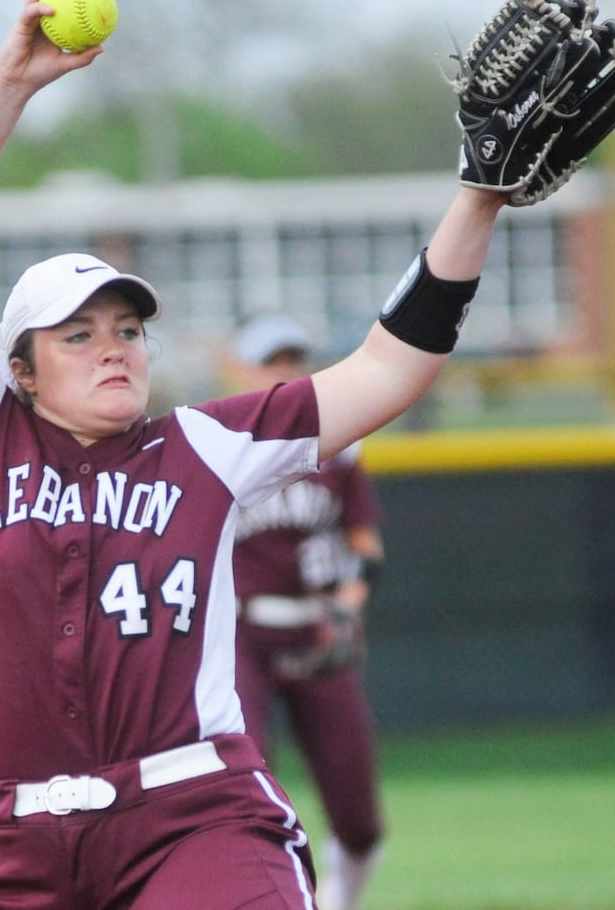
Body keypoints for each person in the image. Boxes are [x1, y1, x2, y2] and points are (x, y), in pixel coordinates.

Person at [0, 0, 503, 910]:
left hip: (193, 818)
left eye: (127, 330)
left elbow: (385, 370)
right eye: (78, 335)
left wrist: (478, 202)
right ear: (19, 368)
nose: (113, 350)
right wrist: (8, 86)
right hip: (18, 842)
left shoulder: (206, 444)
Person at [227, 313, 386, 910]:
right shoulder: (213, 447)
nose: (286, 373)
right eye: (271, 361)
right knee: (240, 789)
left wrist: (349, 605)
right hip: (238, 634)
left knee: (358, 812)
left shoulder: (338, 450)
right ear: (238, 369)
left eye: (294, 360)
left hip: (317, 628)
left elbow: (365, 547)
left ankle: (339, 900)